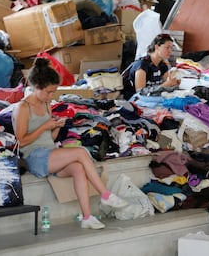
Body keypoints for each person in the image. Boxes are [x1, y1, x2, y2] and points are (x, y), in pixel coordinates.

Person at [12, 58, 128, 230]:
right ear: (37, 87)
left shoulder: (46, 104)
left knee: (78, 168)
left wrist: (57, 126)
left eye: (53, 92)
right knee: (80, 152)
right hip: (34, 157)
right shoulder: (22, 107)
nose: (51, 96)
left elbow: (49, 138)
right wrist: (45, 125)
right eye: (49, 92)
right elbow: (21, 141)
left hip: (49, 153)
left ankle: (87, 217)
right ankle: (105, 194)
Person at [124, 33, 180, 98]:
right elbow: (140, 92)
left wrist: (173, 83)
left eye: (171, 48)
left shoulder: (162, 66)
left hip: (152, 97)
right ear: (157, 47)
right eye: (167, 47)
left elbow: (167, 83)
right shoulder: (142, 65)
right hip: (136, 100)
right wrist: (164, 85)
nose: (170, 51)